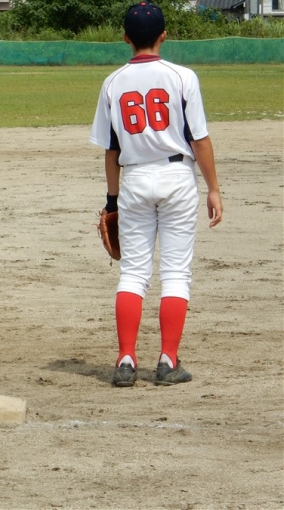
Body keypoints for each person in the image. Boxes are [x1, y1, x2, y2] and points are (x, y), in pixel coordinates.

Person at [89, 2, 223, 387]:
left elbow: (111, 150)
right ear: (165, 35)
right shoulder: (183, 77)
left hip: (134, 179)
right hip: (177, 177)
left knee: (133, 273)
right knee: (176, 273)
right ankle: (167, 361)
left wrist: (111, 200)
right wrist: (213, 189)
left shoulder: (112, 83)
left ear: (125, 38)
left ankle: (125, 361)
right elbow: (199, 140)